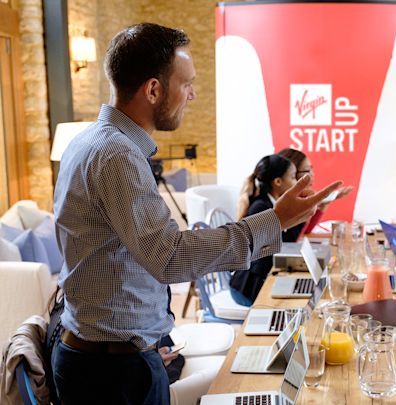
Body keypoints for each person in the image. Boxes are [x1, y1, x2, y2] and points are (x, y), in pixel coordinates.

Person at [52, 23, 341, 405]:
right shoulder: (116, 155)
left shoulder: (91, 142)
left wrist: (154, 339)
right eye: (185, 83)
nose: (193, 94)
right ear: (153, 89)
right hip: (112, 372)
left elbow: (123, 262)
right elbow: (170, 256)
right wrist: (274, 220)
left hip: (111, 355)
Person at [230, 154, 300, 305]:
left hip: (259, 279)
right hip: (248, 287)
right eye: (293, 177)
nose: (296, 182)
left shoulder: (270, 203)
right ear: (278, 182)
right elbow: (281, 246)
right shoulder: (261, 207)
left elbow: (286, 242)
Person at [277, 147, 353, 234]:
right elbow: (292, 238)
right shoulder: (275, 206)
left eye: (312, 169)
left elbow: (305, 232)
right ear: (291, 173)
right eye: (307, 170)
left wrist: (323, 203)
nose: (312, 174)